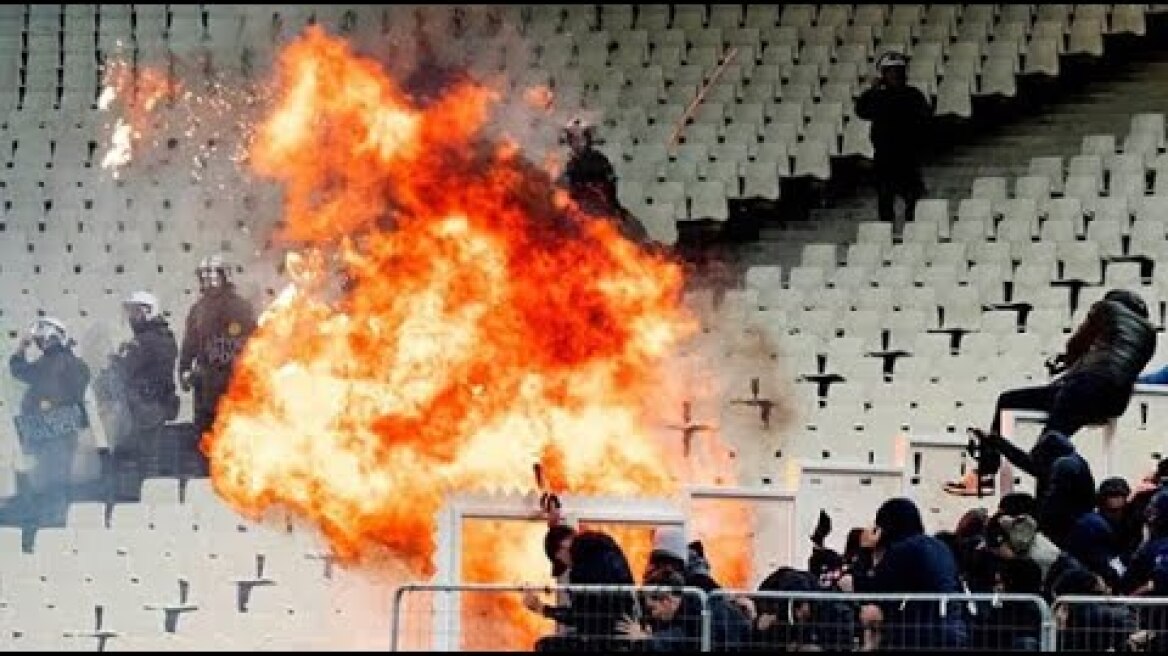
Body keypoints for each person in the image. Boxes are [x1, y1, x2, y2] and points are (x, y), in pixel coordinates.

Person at [946, 288, 1156, 497]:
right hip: (1114, 403)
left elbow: (1076, 345)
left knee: (1012, 407)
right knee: (1053, 447)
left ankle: (985, 472)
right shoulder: (1150, 335)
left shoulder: (1106, 309)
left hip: (1084, 388)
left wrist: (1067, 363)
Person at [847, 497, 969, 649]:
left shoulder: (903, 549)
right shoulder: (939, 546)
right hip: (954, 627)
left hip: (922, 633)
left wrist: (865, 550)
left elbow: (872, 588)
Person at [9, 317, 92, 500]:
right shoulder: (73, 364)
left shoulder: (52, 363)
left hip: (51, 429)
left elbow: (18, 369)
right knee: (56, 478)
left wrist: (22, 347)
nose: (40, 344)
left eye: (41, 340)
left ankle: (54, 519)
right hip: (59, 427)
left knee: (51, 481)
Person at [178, 254, 258, 436]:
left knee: (231, 433)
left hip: (230, 382)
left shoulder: (238, 307)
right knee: (204, 434)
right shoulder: (198, 309)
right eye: (202, 275)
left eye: (211, 274)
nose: (206, 279)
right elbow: (189, 344)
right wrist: (183, 370)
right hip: (204, 385)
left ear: (223, 275)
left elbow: (248, 342)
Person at [855, 51, 933, 225]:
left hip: (908, 155)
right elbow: (862, 111)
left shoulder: (914, 95)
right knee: (885, 198)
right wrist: (872, 90)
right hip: (885, 156)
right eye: (889, 71)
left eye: (898, 70)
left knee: (913, 196)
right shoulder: (878, 96)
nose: (894, 75)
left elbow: (926, 121)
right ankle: (886, 231)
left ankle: (913, 229)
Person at [103, 291, 180, 457]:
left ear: (148, 311)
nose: (131, 317)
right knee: (148, 455)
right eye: (130, 312)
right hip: (157, 404)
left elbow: (124, 369)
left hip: (145, 407)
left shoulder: (145, 341)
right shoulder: (164, 336)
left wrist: (114, 361)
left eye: (135, 312)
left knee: (134, 457)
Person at [560, 118, 651, 245]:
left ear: (587, 139)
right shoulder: (571, 165)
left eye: (578, 138)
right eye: (572, 139)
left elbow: (608, 190)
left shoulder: (597, 160)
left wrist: (612, 210)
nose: (576, 143)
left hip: (601, 215)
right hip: (583, 216)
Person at [1065, 477, 1133, 589]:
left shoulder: (1094, 521)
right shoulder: (1096, 527)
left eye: (1121, 510)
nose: (1118, 516)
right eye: (1113, 511)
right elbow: (1109, 570)